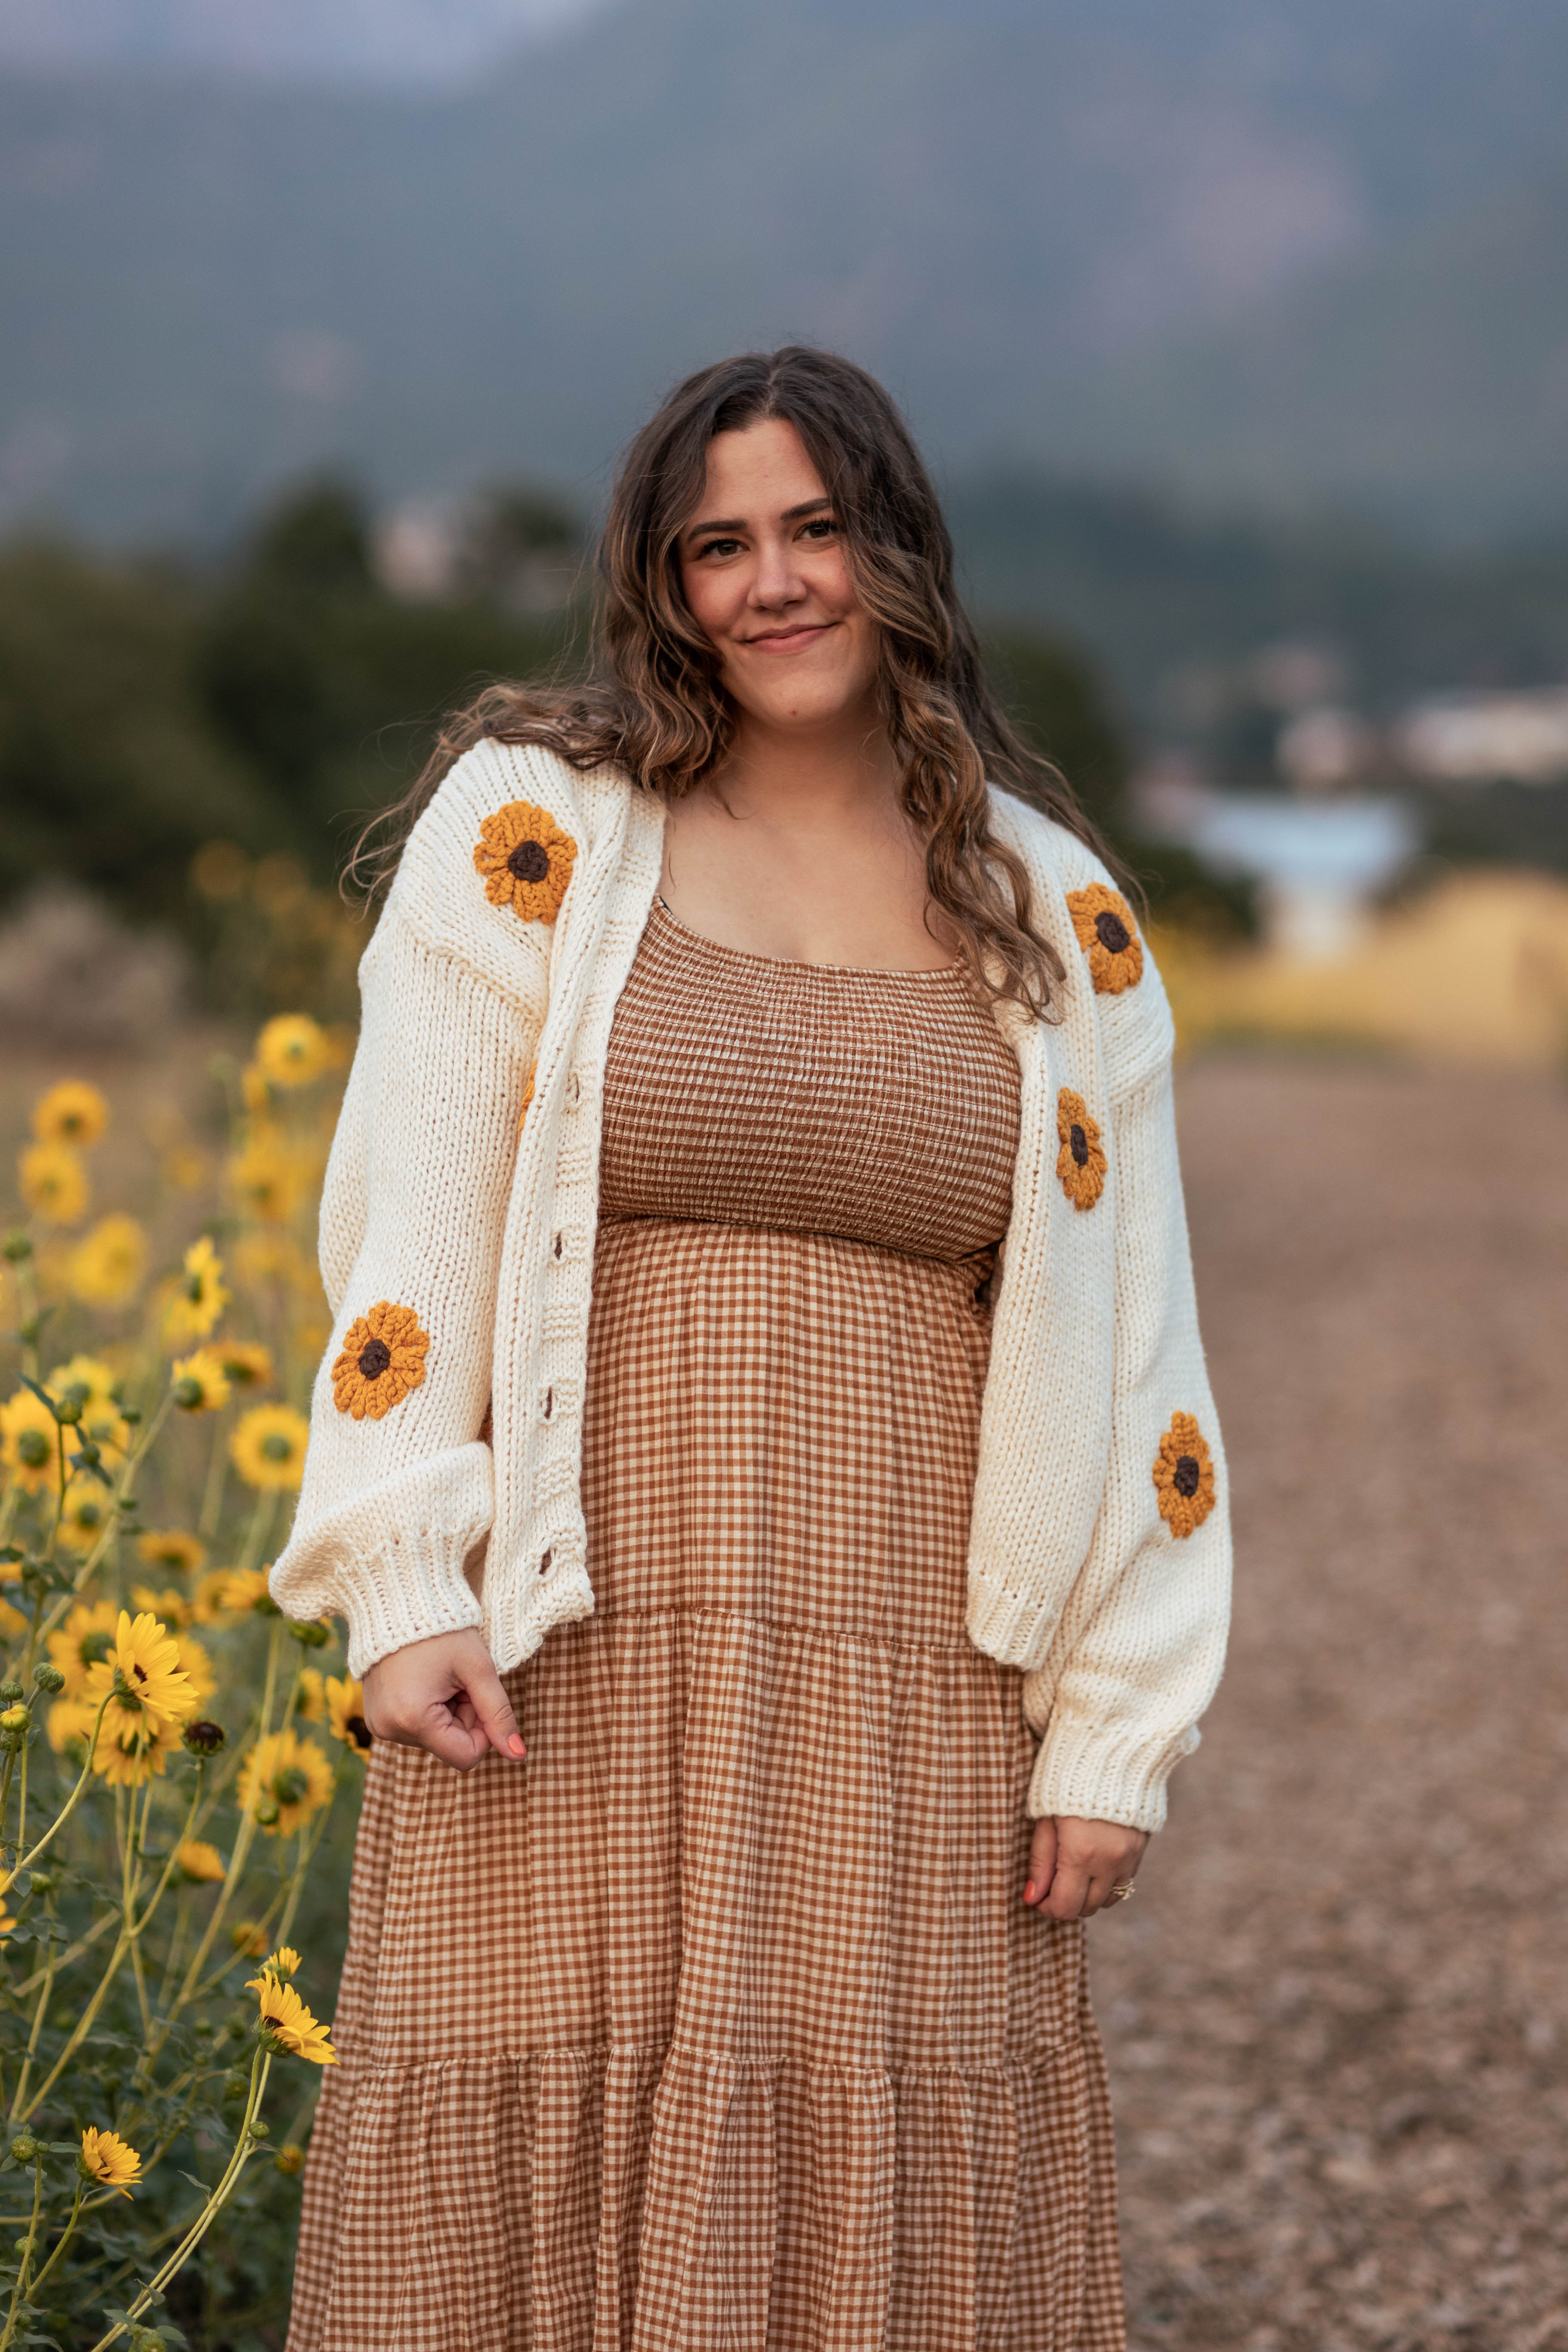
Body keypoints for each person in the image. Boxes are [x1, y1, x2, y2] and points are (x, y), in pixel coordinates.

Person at [273, 345, 1231, 2352]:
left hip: (909, 1687)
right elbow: (410, 1223)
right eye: (719, 546)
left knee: (871, 2189)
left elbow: (1146, 1353)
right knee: (515, 2146)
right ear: (659, 581)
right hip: (561, 1658)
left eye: (817, 530)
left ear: (901, 553)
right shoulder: (536, 828)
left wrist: (1114, 1721)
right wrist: (396, 1578)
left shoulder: (1065, 918)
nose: (774, 583)